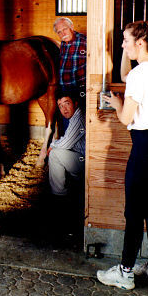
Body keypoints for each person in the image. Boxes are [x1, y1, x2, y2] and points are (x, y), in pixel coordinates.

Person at [98, 20, 148, 290]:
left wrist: (117, 103)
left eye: (125, 41)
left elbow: (125, 117)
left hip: (144, 146)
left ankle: (125, 272)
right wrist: (123, 50)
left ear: (139, 43)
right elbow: (126, 73)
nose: (122, 44)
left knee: (133, 212)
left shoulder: (142, 75)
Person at [46, 90, 85, 241]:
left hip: (84, 162)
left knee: (55, 154)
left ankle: (59, 199)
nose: (64, 109)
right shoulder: (74, 117)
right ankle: (61, 196)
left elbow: (66, 143)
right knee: (57, 152)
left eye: (67, 104)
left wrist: (52, 145)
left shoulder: (78, 117)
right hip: (80, 158)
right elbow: (67, 139)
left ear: (75, 103)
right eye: (60, 106)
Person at [53, 17, 87, 91]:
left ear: (71, 27)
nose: (63, 33)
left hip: (80, 89)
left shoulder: (84, 41)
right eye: (59, 32)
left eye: (65, 29)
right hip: (65, 89)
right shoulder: (63, 43)